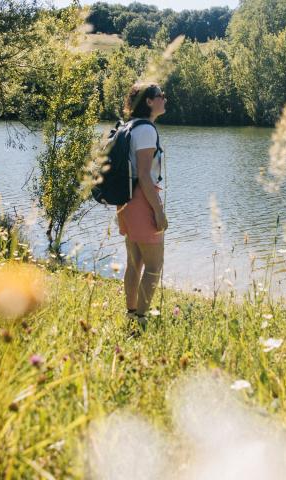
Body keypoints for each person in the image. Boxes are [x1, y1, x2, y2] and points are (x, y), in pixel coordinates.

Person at [117, 82, 168, 332]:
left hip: (126, 200)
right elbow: (146, 176)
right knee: (154, 266)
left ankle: (131, 315)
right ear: (149, 101)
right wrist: (158, 210)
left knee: (134, 262)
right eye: (160, 96)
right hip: (142, 200)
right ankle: (141, 320)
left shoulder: (129, 127)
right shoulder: (146, 130)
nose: (164, 99)